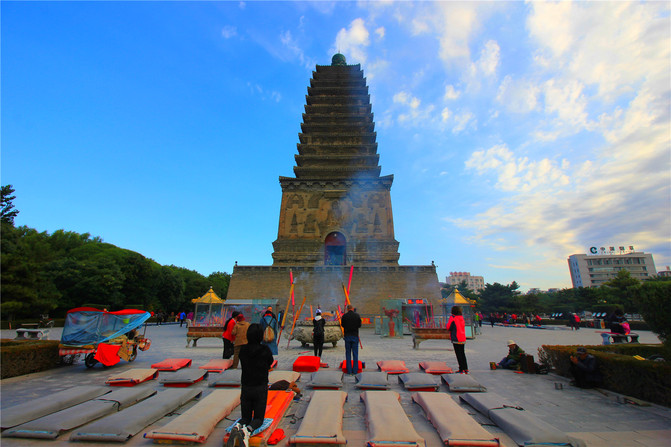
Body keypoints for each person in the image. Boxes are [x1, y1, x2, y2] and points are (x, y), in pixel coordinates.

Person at [228, 323, 274, 447]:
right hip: (260, 387)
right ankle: (246, 431)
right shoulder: (265, 350)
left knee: (245, 418)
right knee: (258, 419)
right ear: (260, 336)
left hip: (246, 387)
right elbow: (270, 362)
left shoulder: (243, 350)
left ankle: (238, 426)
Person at [340, 304, 361, 374]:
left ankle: (349, 370)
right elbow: (359, 325)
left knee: (348, 353)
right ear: (352, 308)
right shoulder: (357, 316)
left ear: (347, 309)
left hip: (347, 336)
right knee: (355, 354)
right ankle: (355, 370)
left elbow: (342, 325)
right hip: (355, 336)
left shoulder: (344, 316)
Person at [447, 306, 468, 373]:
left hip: (456, 338)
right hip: (462, 337)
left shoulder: (453, 318)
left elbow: (449, 327)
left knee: (458, 354)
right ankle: (466, 368)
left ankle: (461, 369)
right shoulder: (461, 317)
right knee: (462, 353)